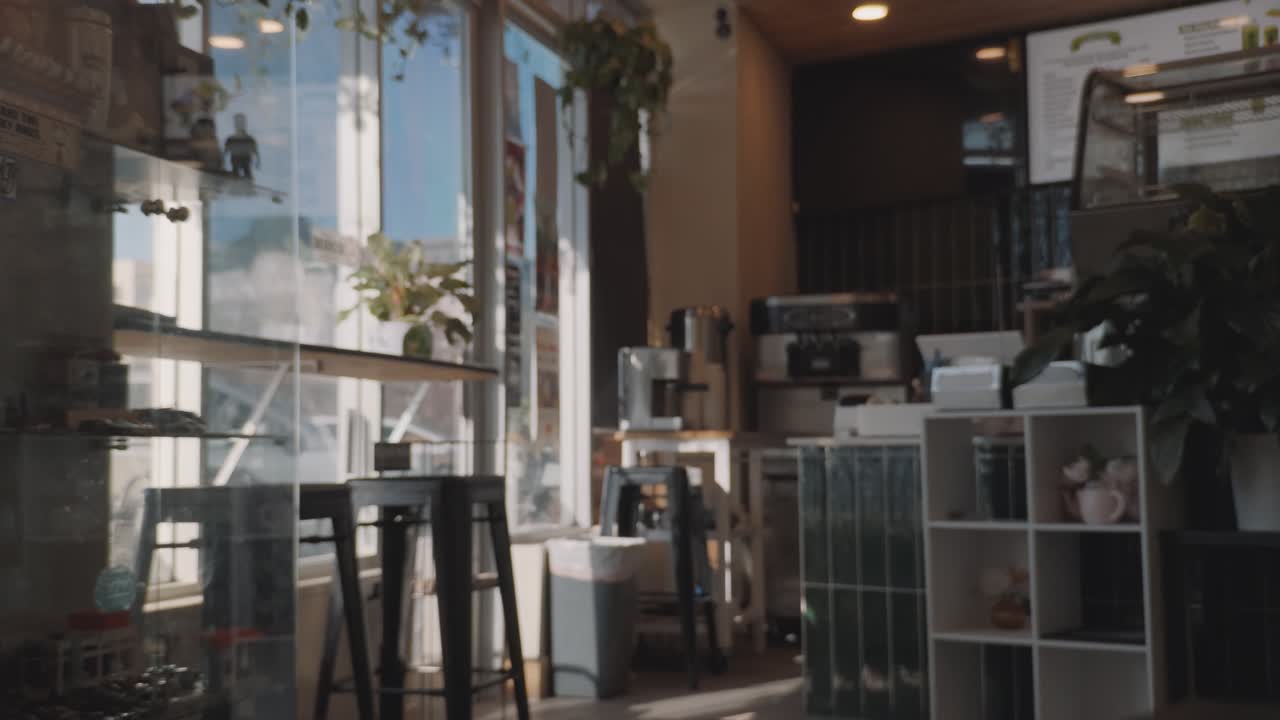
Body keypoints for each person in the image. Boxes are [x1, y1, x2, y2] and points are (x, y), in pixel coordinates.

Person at [224, 113, 260, 179]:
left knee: (246, 175)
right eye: (237, 122)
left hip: (245, 164)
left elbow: (256, 152)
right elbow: (225, 153)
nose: (238, 124)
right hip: (235, 165)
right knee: (235, 177)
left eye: (241, 122)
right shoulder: (230, 139)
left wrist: (258, 161)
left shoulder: (250, 139)